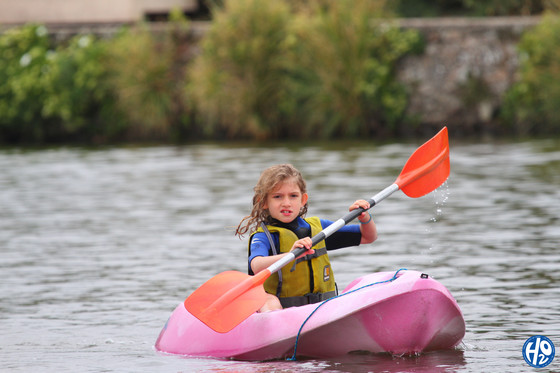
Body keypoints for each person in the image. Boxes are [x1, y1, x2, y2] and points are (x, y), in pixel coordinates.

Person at [235, 164, 377, 312]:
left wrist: (364, 217)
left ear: (303, 199)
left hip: (321, 307)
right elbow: (256, 265)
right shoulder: (264, 236)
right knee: (268, 301)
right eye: (277, 196)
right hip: (282, 310)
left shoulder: (318, 228)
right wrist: (291, 255)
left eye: (293, 196)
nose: (286, 203)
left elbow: (368, 236)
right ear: (263, 201)